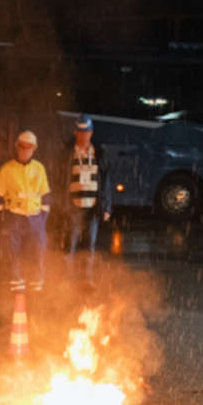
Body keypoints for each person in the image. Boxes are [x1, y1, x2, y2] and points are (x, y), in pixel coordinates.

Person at [0, 131, 52, 306]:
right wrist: (2, 219)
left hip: (35, 219)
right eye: (22, 147)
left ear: (34, 149)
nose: (25, 150)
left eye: (29, 147)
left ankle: (36, 291)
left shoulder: (39, 168)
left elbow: (46, 195)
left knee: (37, 253)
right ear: (17, 147)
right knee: (13, 254)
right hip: (14, 218)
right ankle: (16, 291)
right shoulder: (7, 169)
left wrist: (42, 218)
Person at [61, 116, 112, 286]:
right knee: (70, 245)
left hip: (93, 207)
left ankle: (87, 280)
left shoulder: (98, 152)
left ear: (91, 132)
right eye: (81, 133)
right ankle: (66, 280)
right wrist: (63, 205)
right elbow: (61, 179)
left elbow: (106, 182)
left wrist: (106, 208)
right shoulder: (68, 153)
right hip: (73, 207)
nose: (84, 136)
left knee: (90, 246)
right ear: (76, 133)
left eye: (87, 132)